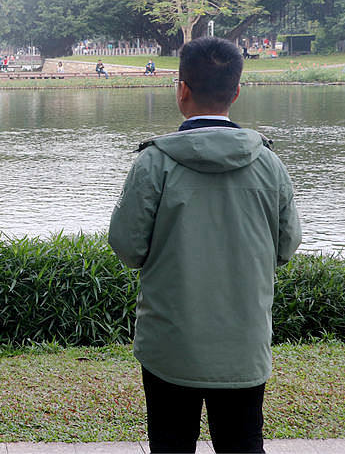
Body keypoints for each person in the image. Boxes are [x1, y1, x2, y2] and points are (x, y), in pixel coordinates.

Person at [108, 37, 301, 454]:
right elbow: (287, 246)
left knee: (171, 445)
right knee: (243, 444)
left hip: (171, 344)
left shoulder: (153, 163)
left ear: (181, 89)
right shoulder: (269, 164)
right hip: (243, 341)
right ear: (235, 91)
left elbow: (127, 248)